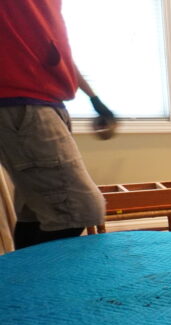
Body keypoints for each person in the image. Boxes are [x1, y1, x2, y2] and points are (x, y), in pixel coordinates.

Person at [0, 1, 117, 249]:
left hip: (45, 103)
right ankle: (38, 286)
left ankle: (23, 285)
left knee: (36, 212)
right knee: (80, 209)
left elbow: (56, 54)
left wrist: (95, 99)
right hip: (23, 103)